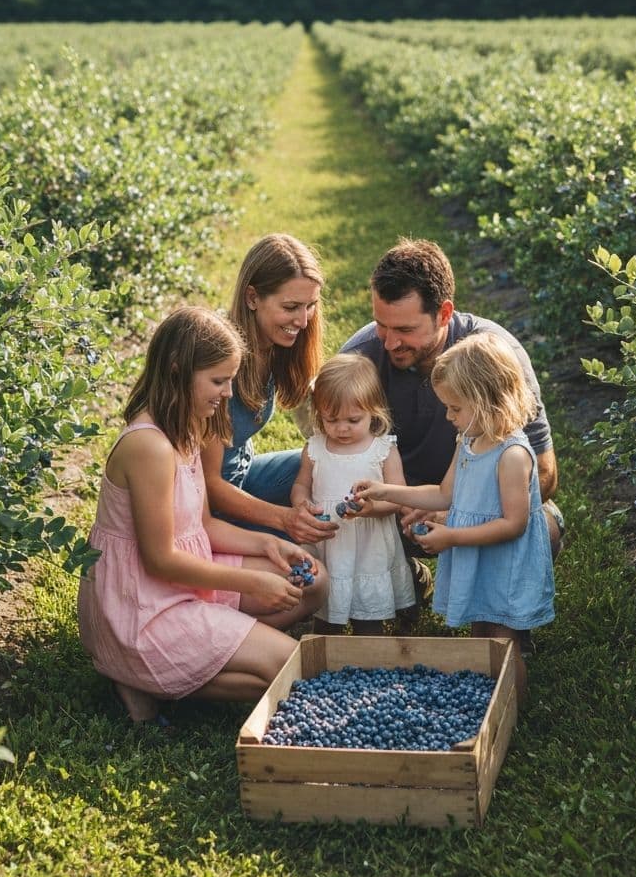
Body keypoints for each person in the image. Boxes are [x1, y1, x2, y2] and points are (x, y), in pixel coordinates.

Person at [78, 306, 327, 723]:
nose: (228, 393)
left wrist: (272, 543)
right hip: (143, 606)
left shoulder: (190, 424)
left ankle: (188, 659)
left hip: (183, 583)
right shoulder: (149, 447)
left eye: (230, 379)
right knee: (289, 666)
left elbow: (203, 525)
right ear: (178, 372)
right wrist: (251, 581)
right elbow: (160, 560)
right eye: (218, 381)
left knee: (313, 583)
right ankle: (144, 676)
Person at [341, 238, 563, 633]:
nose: (389, 342)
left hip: (482, 513)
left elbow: (543, 475)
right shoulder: (361, 359)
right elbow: (335, 456)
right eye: (381, 324)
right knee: (341, 520)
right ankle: (402, 579)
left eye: (405, 329)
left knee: (543, 527)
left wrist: (457, 516)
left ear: (444, 313)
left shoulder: (493, 359)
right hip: (398, 517)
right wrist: (391, 499)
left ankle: (506, 625)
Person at [353, 332, 555, 700]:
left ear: (488, 400)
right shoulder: (470, 441)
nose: (448, 416)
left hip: (505, 565)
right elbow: (444, 494)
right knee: (481, 641)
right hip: (480, 560)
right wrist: (385, 491)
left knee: (503, 645)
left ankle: (513, 710)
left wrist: (452, 537)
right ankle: (487, 704)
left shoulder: (512, 455)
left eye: (455, 408)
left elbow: (514, 524)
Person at [201, 234, 339, 546]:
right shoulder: (219, 362)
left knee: (332, 464)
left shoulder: (277, 347)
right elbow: (209, 485)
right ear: (252, 298)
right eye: (291, 307)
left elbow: (318, 426)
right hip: (209, 503)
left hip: (245, 477)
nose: (303, 321)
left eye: (311, 306)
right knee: (309, 545)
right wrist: (284, 519)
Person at [289, 354, 416, 636]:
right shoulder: (316, 447)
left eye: (353, 419)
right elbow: (301, 485)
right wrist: (303, 504)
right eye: (331, 419)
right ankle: (323, 652)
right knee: (324, 610)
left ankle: (368, 656)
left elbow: (399, 495)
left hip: (369, 545)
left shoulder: (382, 449)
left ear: (374, 411)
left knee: (367, 618)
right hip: (329, 542)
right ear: (318, 412)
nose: (342, 428)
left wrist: (371, 508)